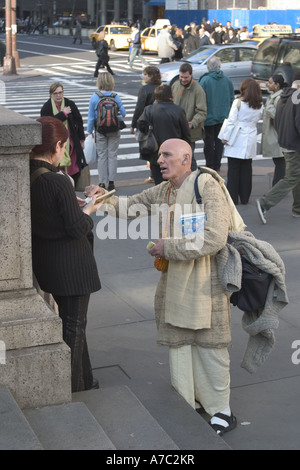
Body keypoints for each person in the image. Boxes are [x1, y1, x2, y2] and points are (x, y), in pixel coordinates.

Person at [87, 138, 240, 436]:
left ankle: (222, 409)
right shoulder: (165, 189)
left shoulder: (206, 185)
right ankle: (189, 400)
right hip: (176, 280)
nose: (160, 160)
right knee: (181, 344)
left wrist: (167, 247)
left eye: (167, 155)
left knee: (210, 346)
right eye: (159, 156)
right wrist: (103, 197)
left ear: (186, 158)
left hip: (207, 280)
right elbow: (131, 205)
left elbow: (215, 237)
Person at [30, 116, 102, 392]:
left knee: (73, 326)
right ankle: (72, 386)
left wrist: (72, 205)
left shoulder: (28, 173)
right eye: (65, 146)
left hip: (48, 265)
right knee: (74, 328)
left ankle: (85, 381)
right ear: (57, 146)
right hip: (72, 268)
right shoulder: (57, 181)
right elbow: (77, 227)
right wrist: (87, 210)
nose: (65, 152)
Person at [256, 76, 300, 224]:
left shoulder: (284, 97)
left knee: (296, 175)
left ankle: (297, 209)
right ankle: (265, 202)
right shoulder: (297, 98)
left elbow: (277, 120)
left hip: (285, 142)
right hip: (294, 144)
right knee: (292, 177)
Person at [137, 84, 191, 185]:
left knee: (159, 185)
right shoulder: (178, 110)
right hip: (175, 154)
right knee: (176, 184)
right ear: (170, 95)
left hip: (156, 152)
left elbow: (141, 125)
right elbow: (186, 134)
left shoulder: (149, 110)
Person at [222, 78, 263, 205]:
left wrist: (225, 137)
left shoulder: (238, 102)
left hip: (237, 137)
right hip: (250, 137)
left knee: (233, 170)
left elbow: (231, 121)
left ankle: (233, 198)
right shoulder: (260, 104)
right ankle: (245, 197)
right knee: (246, 169)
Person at [40, 82, 86, 186]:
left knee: (74, 169)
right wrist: (63, 114)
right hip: (55, 145)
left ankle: (71, 190)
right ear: (51, 94)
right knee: (58, 171)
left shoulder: (70, 104)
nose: (58, 95)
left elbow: (79, 121)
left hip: (72, 144)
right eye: (55, 93)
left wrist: (81, 139)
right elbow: (47, 124)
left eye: (60, 92)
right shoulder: (46, 107)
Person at [87, 71, 126, 191]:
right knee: (112, 155)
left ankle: (102, 182)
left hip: (100, 130)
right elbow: (123, 113)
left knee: (102, 156)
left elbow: (91, 117)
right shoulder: (115, 96)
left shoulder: (95, 97)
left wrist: (89, 131)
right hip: (114, 130)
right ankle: (112, 182)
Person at [199, 57, 234, 171]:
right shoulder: (227, 80)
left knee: (208, 143)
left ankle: (210, 165)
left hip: (208, 117)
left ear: (208, 67)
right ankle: (217, 165)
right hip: (223, 117)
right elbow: (231, 98)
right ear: (219, 66)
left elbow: (201, 100)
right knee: (219, 143)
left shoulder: (204, 81)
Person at [172, 62, 207, 171]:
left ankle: (194, 178)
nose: (183, 79)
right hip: (176, 129)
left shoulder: (198, 90)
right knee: (177, 157)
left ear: (191, 75)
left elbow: (202, 112)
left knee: (188, 156)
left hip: (189, 131)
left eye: (186, 77)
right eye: (181, 77)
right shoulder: (175, 85)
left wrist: (192, 123)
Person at [130, 65, 162, 183]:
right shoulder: (162, 87)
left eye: (145, 74)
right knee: (159, 149)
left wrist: (134, 124)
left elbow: (139, 108)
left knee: (149, 148)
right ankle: (157, 173)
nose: (144, 77)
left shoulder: (144, 89)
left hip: (146, 123)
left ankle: (153, 175)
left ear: (151, 76)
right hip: (160, 122)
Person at [261, 74, 287, 186]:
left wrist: (269, 108)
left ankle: (277, 188)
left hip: (277, 135)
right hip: (276, 134)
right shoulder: (274, 96)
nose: (268, 84)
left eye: (270, 82)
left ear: (277, 85)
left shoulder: (279, 98)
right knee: (280, 163)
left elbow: (278, 115)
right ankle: (279, 187)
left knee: (280, 163)